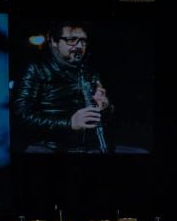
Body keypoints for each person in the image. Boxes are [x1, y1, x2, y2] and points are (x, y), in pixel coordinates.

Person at [13, 21, 111, 153]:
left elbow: (109, 118)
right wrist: (69, 123)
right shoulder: (35, 69)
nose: (79, 46)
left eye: (83, 41)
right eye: (71, 40)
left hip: (87, 146)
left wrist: (105, 107)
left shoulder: (90, 72)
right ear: (54, 41)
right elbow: (22, 116)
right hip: (47, 146)